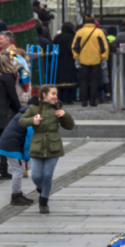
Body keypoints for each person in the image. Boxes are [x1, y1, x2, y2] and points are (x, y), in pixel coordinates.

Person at [19, 84, 74, 214]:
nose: (55, 96)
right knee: (36, 175)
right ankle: (41, 188)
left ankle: (44, 201)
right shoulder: (34, 108)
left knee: (47, 175)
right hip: (38, 144)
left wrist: (64, 115)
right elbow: (21, 120)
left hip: (53, 145)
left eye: (56, 94)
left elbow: (70, 126)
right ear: (44, 95)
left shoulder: (58, 108)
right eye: (53, 94)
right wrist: (33, 120)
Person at [0, 97, 37, 206]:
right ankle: (16, 195)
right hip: (11, 147)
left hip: (9, 144)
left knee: (18, 169)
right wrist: (26, 158)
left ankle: (17, 194)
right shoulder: (29, 118)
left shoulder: (23, 113)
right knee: (19, 170)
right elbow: (28, 140)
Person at [0, 52, 21, 179]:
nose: (13, 62)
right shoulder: (7, 77)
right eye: (11, 60)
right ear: (6, 62)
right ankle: (3, 170)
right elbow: (12, 96)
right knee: (2, 142)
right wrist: (20, 111)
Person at [71, 16, 109, 107]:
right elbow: (104, 47)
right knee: (94, 81)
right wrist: (103, 58)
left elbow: (74, 47)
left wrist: (77, 57)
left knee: (83, 81)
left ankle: (84, 101)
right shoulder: (99, 32)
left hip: (83, 60)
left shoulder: (80, 32)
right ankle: (93, 100)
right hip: (96, 60)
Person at [53, 22, 78, 104]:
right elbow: (72, 49)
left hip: (59, 61)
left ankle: (61, 98)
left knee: (60, 81)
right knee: (69, 80)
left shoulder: (57, 37)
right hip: (69, 61)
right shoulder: (72, 37)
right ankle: (69, 98)